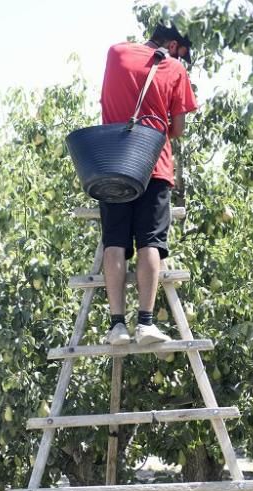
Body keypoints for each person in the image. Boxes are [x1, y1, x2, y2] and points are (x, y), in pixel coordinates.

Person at [99, 23, 198, 346]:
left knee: (114, 241)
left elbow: (106, 102)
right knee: (150, 243)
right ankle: (145, 323)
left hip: (113, 162)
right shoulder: (174, 68)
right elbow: (179, 128)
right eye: (180, 51)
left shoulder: (116, 53)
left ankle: (117, 325)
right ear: (172, 44)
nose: (179, 57)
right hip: (153, 164)